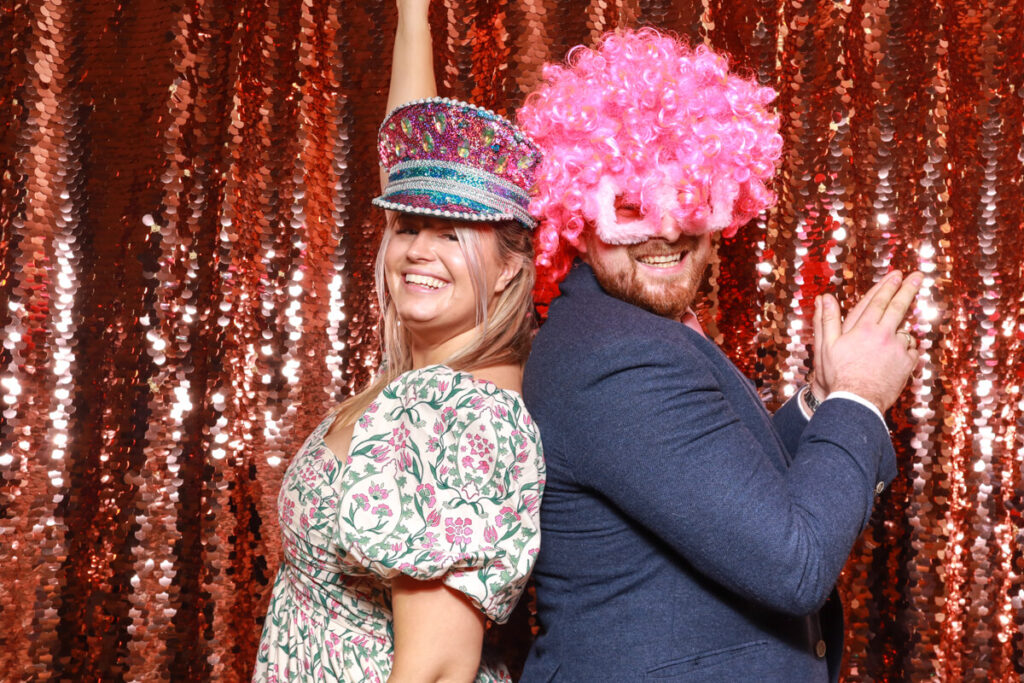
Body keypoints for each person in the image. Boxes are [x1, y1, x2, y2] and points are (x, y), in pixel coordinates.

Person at [515, 28, 922, 682]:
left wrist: (821, 401)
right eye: (629, 206)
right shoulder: (616, 352)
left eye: (691, 196)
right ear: (575, 214)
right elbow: (795, 564)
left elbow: (734, 493)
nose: (669, 228)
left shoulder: (637, 332)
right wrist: (860, 397)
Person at [252, 3, 545, 680]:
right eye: (408, 226)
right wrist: (414, 14)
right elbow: (406, 157)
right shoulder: (419, 371)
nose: (419, 251)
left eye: (451, 234)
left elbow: (438, 667)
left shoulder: (460, 414)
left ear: (509, 266)